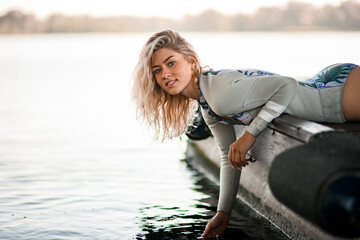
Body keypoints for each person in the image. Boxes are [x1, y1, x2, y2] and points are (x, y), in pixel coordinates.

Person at [131, 29, 360, 239]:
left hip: (335, 95)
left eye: (171, 63)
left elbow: (287, 85)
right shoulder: (208, 103)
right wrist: (223, 213)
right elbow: (227, 157)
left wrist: (249, 135)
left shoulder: (218, 95)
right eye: (157, 70)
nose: (165, 74)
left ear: (192, 63)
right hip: (329, 87)